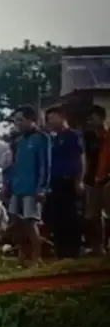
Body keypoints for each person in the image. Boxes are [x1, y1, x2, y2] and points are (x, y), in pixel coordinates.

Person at [7, 106, 51, 267]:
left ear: (31, 120)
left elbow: (45, 166)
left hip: (32, 188)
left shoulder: (42, 138)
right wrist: (9, 184)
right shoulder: (19, 140)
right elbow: (15, 165)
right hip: (17, 187)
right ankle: (22, 254)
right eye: (16, 120)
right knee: (15, 222)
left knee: (31, 223)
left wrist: (42, 187)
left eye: (20, 120)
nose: (17, 123)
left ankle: (37, 257)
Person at [44, 106, 85, 258]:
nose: (50, 122)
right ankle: (61, 250)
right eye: (48, 120)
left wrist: (79, 180)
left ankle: (73, 250)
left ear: (62, 117)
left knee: (70, 216)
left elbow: (80, 158)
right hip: (55, 182)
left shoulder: (73, 136)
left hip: (69, 181)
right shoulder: (54, 139)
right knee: (58, 216)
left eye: (53, 118)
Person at [83, 105, 107, 255]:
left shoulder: (108, 136)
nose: (90, 121)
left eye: (93, 118)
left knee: (107, 214)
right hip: (92, 180)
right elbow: (85, 158)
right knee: (92, 215)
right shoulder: (88, 137)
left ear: (102, 118)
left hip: (106, 179)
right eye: (89, 118)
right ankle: (98, 246)